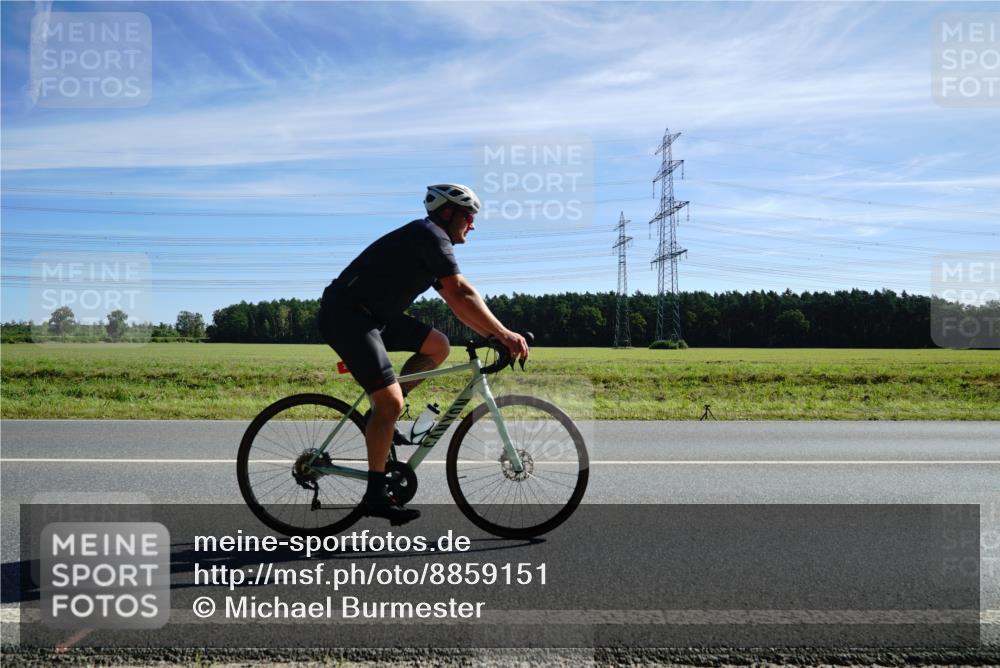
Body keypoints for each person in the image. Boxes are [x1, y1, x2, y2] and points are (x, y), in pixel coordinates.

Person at [317, 184, 529, 525]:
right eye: (469, 216)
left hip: (374, 317)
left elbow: (457, 302)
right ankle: (375, 494)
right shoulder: (428, 234)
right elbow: (462, 291)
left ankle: (384, 412)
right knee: (390, 404)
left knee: (438, 346)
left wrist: (492, 335)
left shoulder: (429, 241)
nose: (472, 224)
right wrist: (503, 334)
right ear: (448, 213)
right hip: (348, 316)